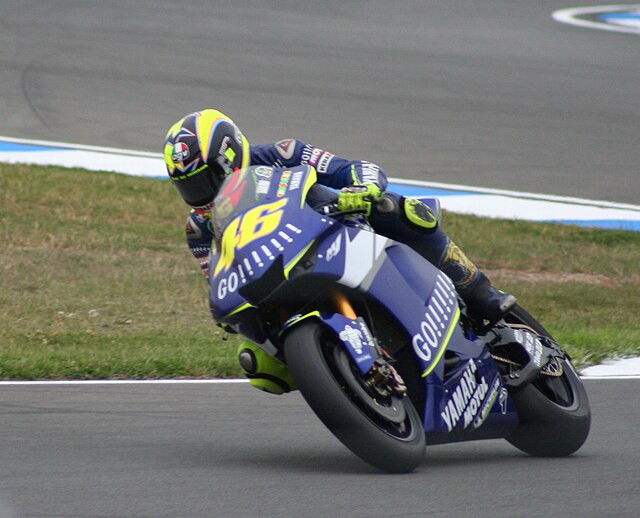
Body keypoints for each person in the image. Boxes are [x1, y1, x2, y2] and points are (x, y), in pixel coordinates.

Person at [163, 109, 516, 393]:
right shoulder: (199, 229)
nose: (200, 192)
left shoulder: (282, 154)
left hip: (336, 231)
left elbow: (354, 169)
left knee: (395, 209)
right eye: (188, 186)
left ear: (231, 157)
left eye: (205, 179)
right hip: (278, 279)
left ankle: (479, 290)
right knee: (261, 369)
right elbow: (219, 276)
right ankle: (342, 379)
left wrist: (363, 189)